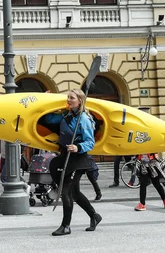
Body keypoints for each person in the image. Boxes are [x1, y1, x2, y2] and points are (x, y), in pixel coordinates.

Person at [44, 89, 102, 236]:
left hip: (79, 159)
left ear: (80, 101)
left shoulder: (84, 119)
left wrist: (78, 146)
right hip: (66, 157)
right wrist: (45, 100)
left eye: (72, 98)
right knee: (75, 193)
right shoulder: (67, 115)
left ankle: (66, 226)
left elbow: (90, 142)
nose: (68, 100)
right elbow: (49, 120)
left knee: (66, 191)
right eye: (68, 97)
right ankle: (95, 216)